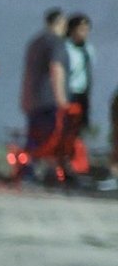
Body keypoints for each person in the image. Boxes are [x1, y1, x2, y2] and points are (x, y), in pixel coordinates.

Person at [20, 9, 69, 181]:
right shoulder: (57, 43)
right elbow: (56, 69)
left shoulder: (35, 42)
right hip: (49, 100)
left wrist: (25, 98)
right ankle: (47, 175)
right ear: (59, 23)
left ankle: (27, 171)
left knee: (34, 137)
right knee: (50, 140)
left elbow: (28, 73)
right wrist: (61, 99)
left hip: (33, 99)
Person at [59, 15, 96, 178]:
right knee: (65, 129)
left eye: (86, 30)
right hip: (69, 92)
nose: (84, 33)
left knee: (79, 129)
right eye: (81, 29)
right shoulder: (65, 48)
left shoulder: (88, 49)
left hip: (83, 93)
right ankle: (63, 164)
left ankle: (77, 165)